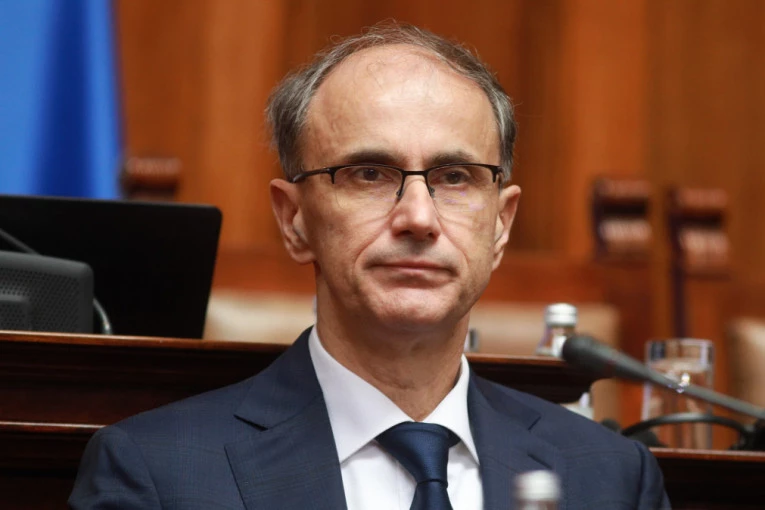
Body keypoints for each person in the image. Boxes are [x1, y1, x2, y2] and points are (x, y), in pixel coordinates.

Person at [69, 22, 670, 509]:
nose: (418, 218)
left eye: (455, 177)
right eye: (369, 173)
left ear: (501, 224)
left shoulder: (610, 479)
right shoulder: (158, 473)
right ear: (294, 219)